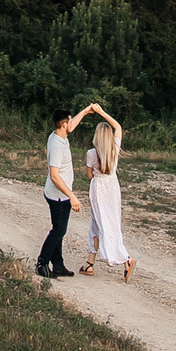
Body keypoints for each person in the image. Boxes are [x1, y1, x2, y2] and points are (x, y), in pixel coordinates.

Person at [77, 106, 133, 282]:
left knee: (102, 224)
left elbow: (89, 175)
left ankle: (125, 259)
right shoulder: (114, 149)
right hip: (112, 186)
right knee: (105, 223)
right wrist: (102, 112)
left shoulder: (91, 153)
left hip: (98, 188)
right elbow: (118, 127)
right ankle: (89, 263)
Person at [36, 106, 93, 278]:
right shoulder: (57, 147)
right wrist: (72, 196)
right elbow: (55, 176)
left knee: (58, 229)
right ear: (63, 124)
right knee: (59, 231)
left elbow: (72, 124)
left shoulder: (58, 135)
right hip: (58, 196)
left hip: (59, 194)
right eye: (69, 121)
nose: (71, 124)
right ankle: (42, 263)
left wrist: (85, 111)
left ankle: (58, 265)